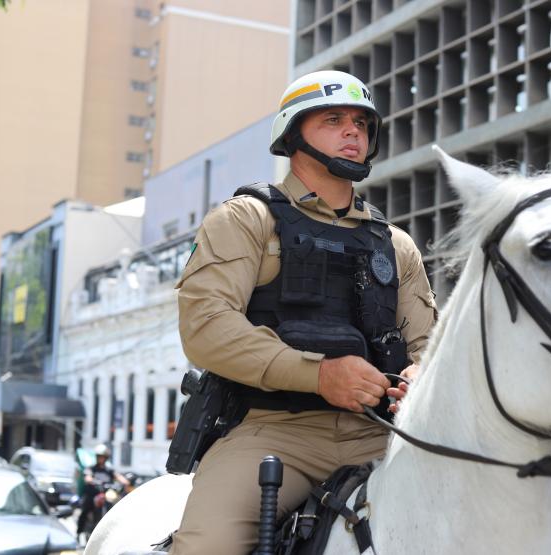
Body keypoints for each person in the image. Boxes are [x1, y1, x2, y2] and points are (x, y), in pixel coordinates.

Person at [169, 70, 437, 554]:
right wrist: (320, 375)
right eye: (334, 119)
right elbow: (206, 327)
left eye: (361, 122)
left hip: (382, 437)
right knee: (206, 544)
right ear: (293, 134)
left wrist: (420, 376)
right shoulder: (246, 219)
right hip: (273, 433)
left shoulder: (397, 246)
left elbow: (427, 347)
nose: (353, 131)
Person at [76, 443, 130, 543]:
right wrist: (92, 480)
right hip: (92, 495)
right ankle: (79, 533)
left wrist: (125, 482)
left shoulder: (109, 470)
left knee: (115, 506)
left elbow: (119, 477)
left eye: (102, 457)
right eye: (98, 456)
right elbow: (87, 477)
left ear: (106, 458)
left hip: (106, 495)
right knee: (85, 510)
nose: (100, 458)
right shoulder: (91, 468)